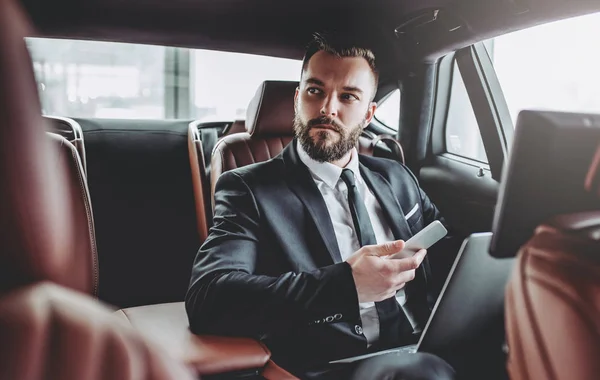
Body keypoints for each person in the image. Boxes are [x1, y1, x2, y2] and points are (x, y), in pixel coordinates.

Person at [186, 33, 457, 379]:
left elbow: (451, 256)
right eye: (315, 91)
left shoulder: (397, 177)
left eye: (348, 96)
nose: (328, 108)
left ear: (369, 113)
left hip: (421, 344)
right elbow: (209, 298)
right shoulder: (249, 189)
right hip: (329, 366)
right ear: (298, 99)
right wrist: (346, 286)